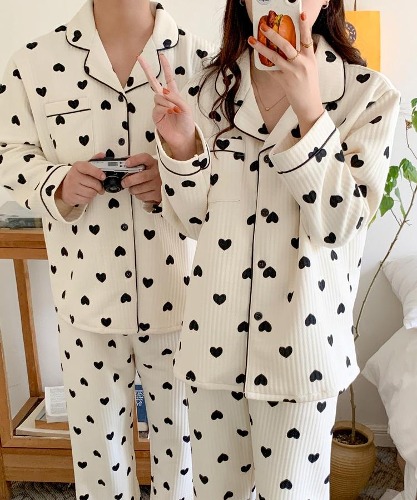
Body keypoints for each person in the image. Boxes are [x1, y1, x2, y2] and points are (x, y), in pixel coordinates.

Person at [139, 0, 401, 498]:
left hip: (302, 349)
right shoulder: (209, 88)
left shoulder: (368, 95)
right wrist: (182, 148)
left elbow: (341, 224)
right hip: (213, 344)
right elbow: (193, 220)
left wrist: (310, 112)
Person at [0, 1, 214, 499]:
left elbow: (235, 173)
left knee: (186, 459)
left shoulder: (203, 62)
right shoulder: (35, 62)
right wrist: (57, 184)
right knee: (100, 462)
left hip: (183, 300)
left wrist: (178, 175)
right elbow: (9, 154)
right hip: (85, 302)